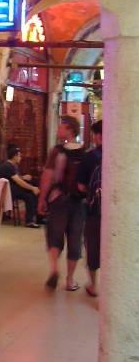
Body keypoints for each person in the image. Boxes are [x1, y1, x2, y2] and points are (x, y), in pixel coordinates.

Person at [38, 115, 85, 292]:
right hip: (78, 202)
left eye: (61, 127)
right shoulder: (84, 151)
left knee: (54, 235)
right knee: (75, 239)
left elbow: (48, 176)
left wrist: (42, 199)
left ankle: (54, 269)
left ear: (70, 130)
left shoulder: (57, 151)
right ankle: (70, 280)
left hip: (58, 199)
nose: (58, 130)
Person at [77, 120, 103, 297]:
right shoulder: (124, 154)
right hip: (117, 214)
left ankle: (93, 285)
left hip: (95, 212)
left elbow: (81, 186)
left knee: (93, 247)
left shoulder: (89, 157)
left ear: (98, 135)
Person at [0, 144, 40, 227]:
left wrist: (23, 177)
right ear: (15, 156)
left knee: (32, 186)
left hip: (10, 189)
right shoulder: (8, 166)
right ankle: (30, 221)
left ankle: (36, 218)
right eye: (19, 156)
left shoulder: (11, 166)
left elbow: (16, 178)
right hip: (6, 192)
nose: (20, 158)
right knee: (30, 194)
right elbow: (18, 181)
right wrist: (32, 188)